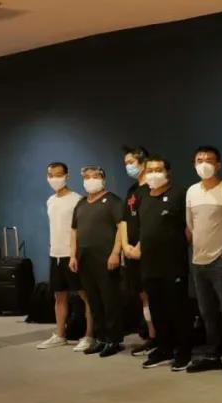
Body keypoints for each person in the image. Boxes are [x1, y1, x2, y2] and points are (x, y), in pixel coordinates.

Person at [185, 145, 222, 377]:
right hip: (198, 261)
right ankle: (213, 354)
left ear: (218, 165)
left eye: (209, 160)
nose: (204, 164)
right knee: (207, 311)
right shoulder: (192, 192)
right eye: (199, 160)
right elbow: (190, 226)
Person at [133, 156, 192, 372]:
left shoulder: (179, 194)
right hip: (150, 264)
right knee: (157, 309)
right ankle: (164, 348)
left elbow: (189, 229)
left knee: (178, 309)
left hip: (173, 263)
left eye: (158, 169)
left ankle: (183, 352)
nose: (154, 174)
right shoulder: (142, 196)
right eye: (150, 170)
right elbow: (144, 228)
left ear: (167, 172)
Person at [36, 162, 95, 352]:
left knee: (85, 296)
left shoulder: (77, 200)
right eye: (51, 175)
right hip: (55, 254)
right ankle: (60, 335)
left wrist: (74, 254)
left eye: (58, 175)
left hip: (73, 255)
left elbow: (79, 230)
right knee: (59, 296)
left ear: (67, 177)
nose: (54, 178)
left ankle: (89, 336)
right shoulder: (50, 200)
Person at [69, 166, 125, 357]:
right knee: (94, 301)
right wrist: (72, 255)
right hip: (85, 260)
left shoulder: (113, 201)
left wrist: (116, 253)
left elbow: (121, 228)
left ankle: (114, 339)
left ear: (103, 179)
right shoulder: (81, 203)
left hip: (106, 258)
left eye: (95, 176)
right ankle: (101, 338)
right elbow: (74, 231)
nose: (91, 180)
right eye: (87, 177)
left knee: (110, 301)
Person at [121, 145, 156, 355]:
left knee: (154, 295)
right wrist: (126, 246)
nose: (128, 167)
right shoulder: (132, 191)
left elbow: (152, 223)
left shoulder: (153, 189)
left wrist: (140, 247)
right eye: (125, 163)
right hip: (131, 253)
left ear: (144, 162)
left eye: (131, 162)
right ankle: (152, 335)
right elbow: (124, 221)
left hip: (148, 252)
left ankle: (161, 337)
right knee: (143, 296)